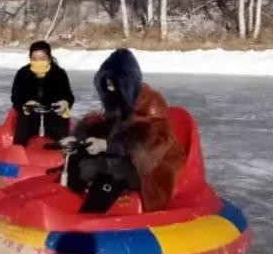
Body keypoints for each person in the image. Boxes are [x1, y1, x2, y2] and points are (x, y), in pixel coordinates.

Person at [61, 48, 186, 213]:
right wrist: (79, 140)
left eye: (113, 83)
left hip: (153, 166)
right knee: (86, 164)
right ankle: (66, 203)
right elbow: (105, 126)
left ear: (126, 81)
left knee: (110, 171)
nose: (110, 88)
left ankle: (90, 216)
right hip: (124, 158)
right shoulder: (118, 100)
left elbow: (150, 146)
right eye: (106, 84)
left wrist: (107, 146)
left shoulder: (152, 103)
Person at [10, 40, 74, 145]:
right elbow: (15, 97)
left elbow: (68, 95)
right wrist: (25, 104)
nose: (38, 62)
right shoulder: (22, 73)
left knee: (63, 136)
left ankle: (66, 156)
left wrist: (64, 102)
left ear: (49, 58)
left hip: (53, 115)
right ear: (30, 58)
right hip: (30, 115)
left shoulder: (59, 73)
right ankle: (18, 153)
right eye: (34, 59)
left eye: (42, 59)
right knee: (21, 134)